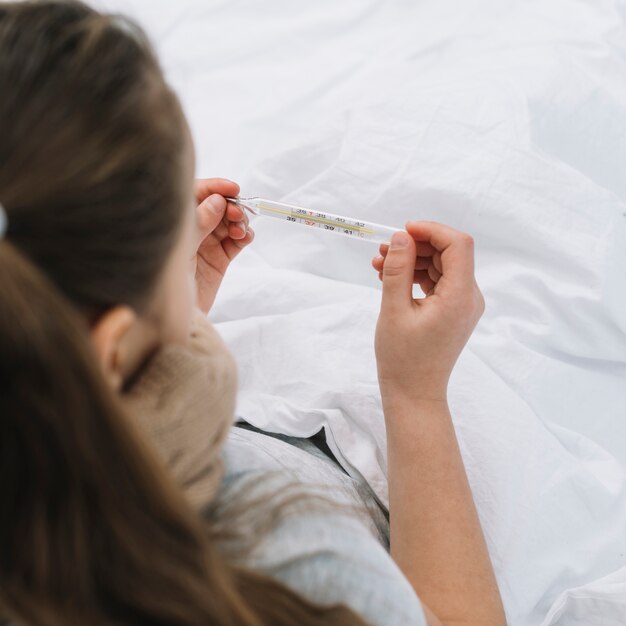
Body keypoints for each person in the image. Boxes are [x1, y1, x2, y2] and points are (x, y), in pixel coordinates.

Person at [0, 1, 507, 625]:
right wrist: (416, 393)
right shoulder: (285, 554)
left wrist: (162, 324)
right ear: (110, 347)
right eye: (164, 241)